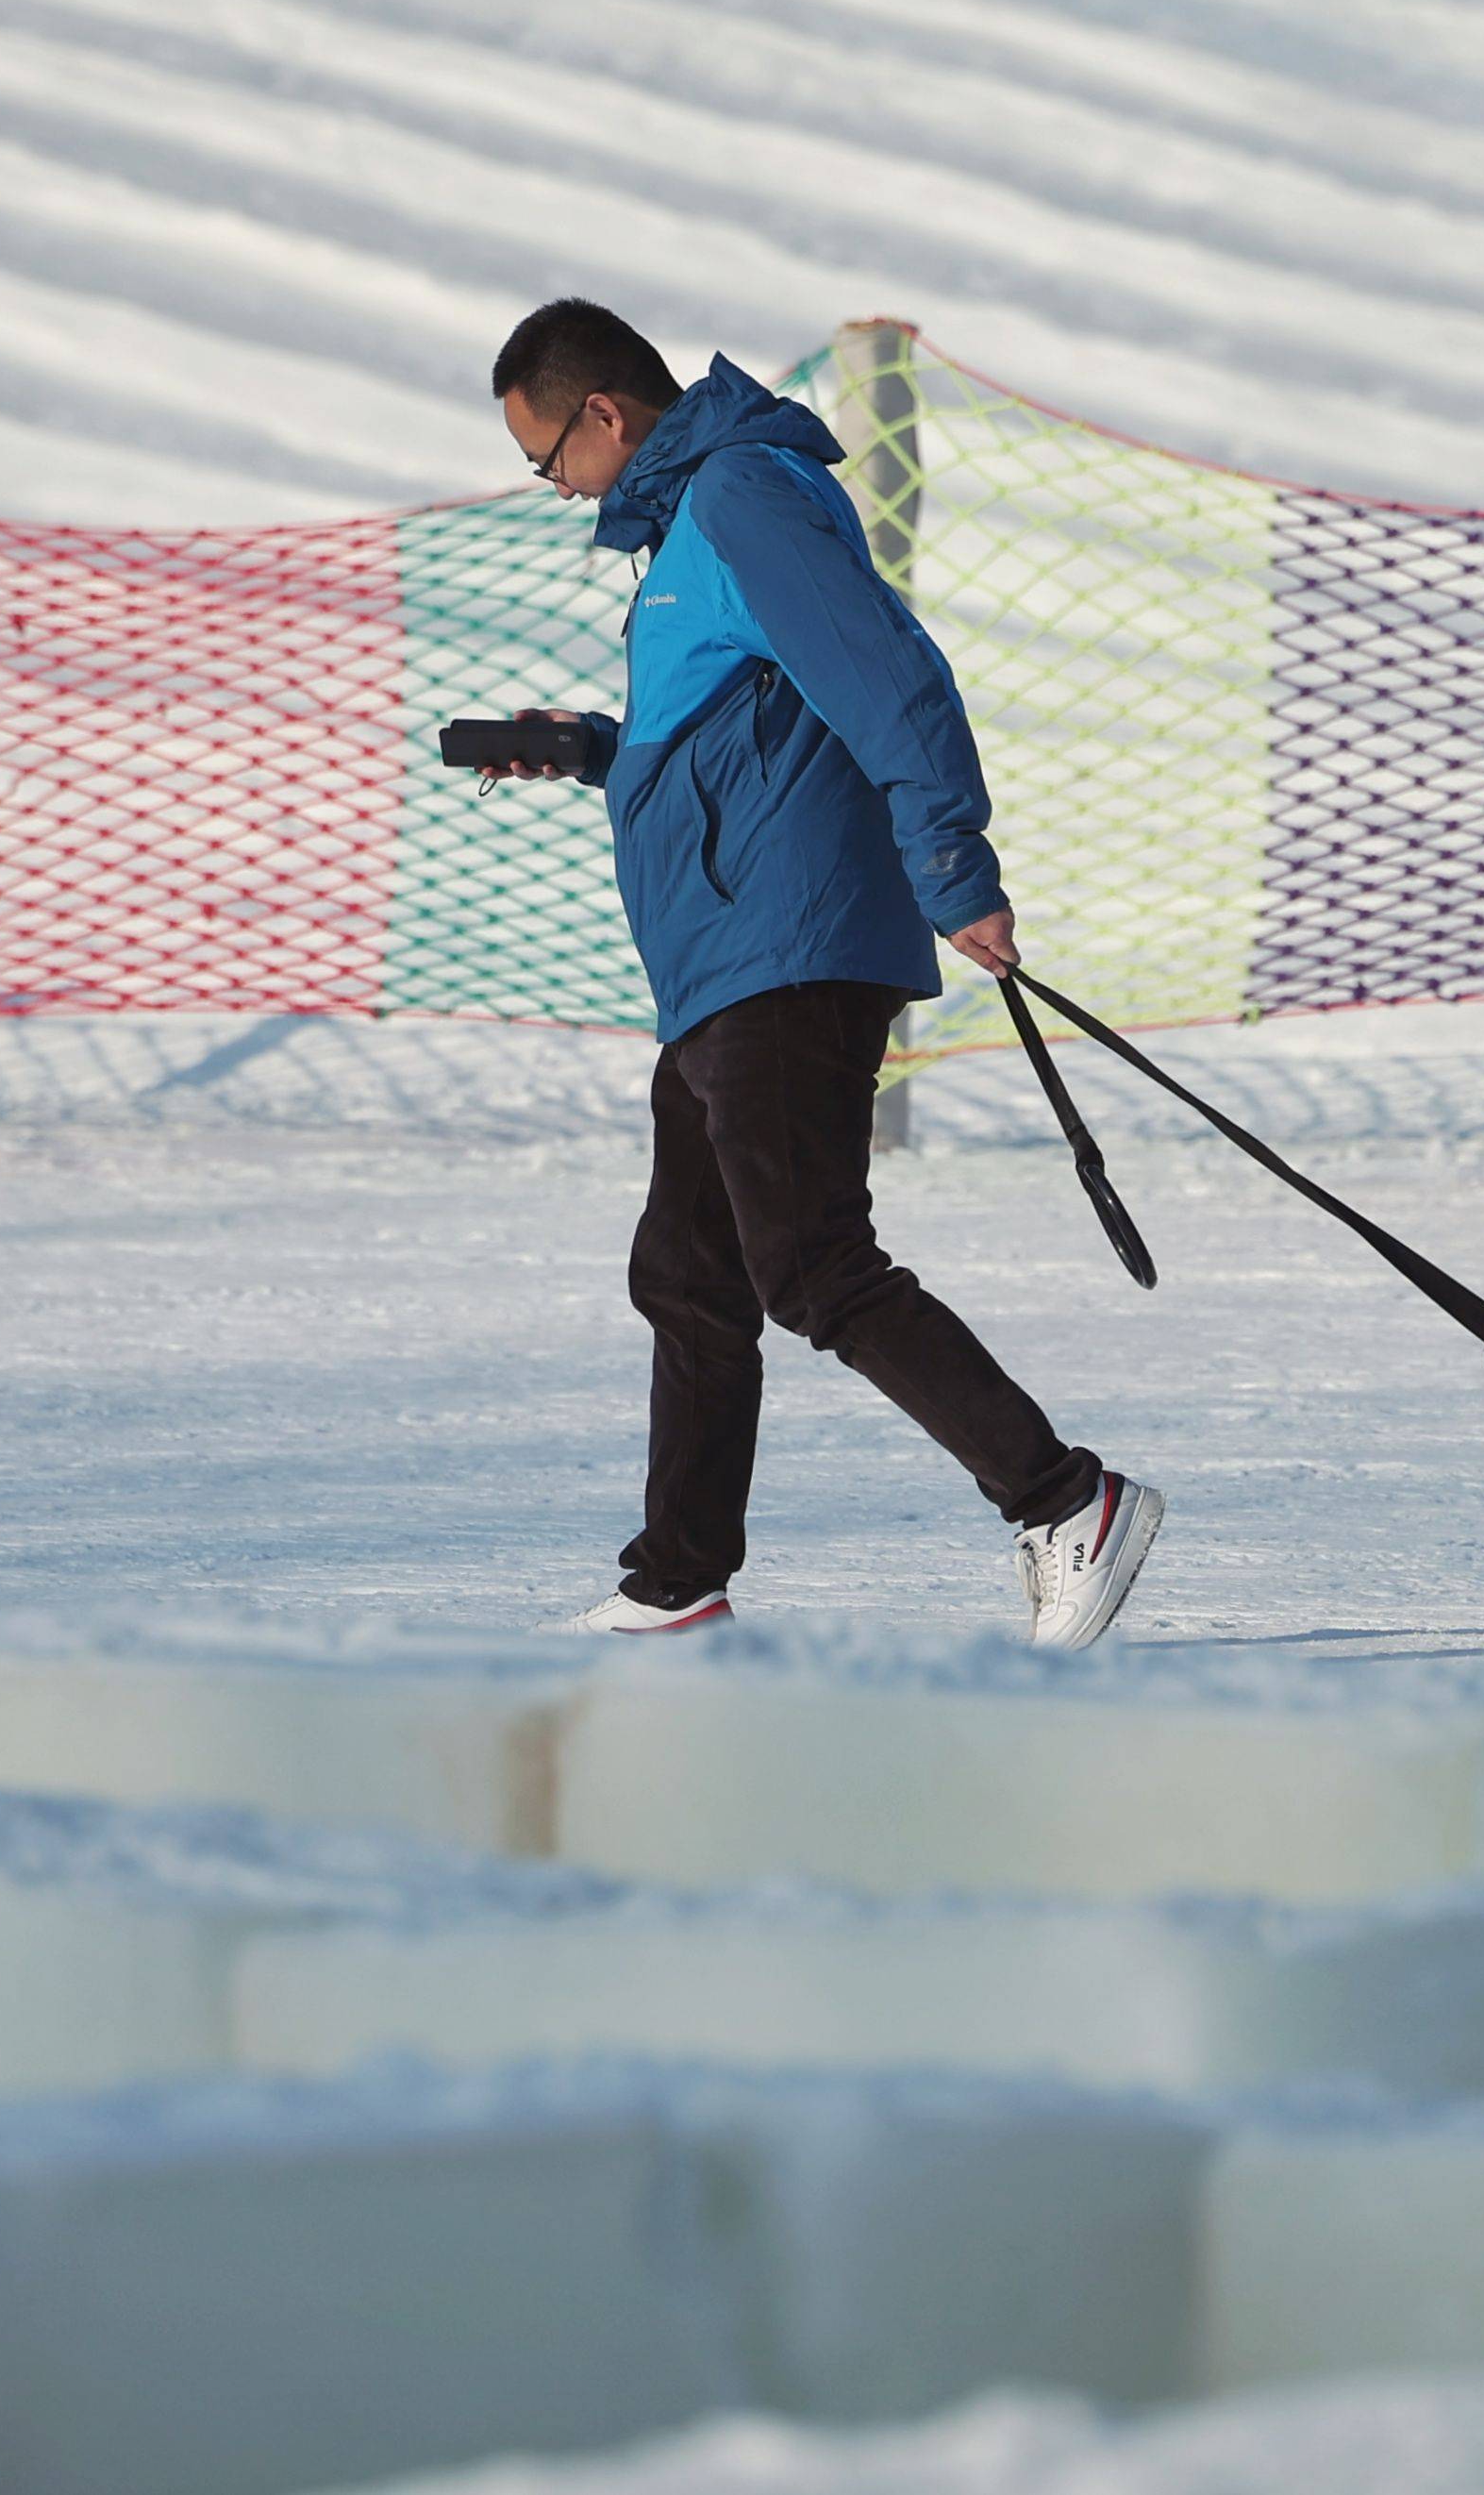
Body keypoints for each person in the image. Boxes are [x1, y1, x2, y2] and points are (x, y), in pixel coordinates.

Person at [481, 299, 1161, 1648]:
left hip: (785, 949)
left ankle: (1064, 1499)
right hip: (729, 959)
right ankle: (677, 1578)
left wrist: (953, 867)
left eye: (546, 455)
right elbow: (740, 732)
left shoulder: (739, 495)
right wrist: (595, 749)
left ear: (605, 415)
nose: (551, 484)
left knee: (809, 1263)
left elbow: (888, 675)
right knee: (689, 1272)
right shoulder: (691, 526)